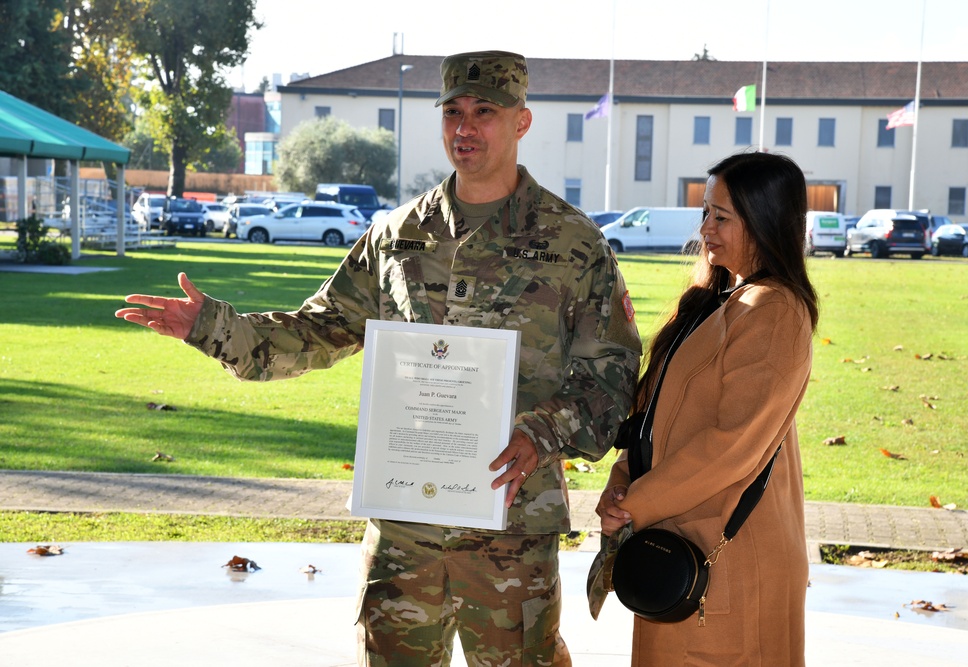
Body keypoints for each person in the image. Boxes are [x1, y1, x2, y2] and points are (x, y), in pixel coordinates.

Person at [116, 50, 641, 666]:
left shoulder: (574, 245)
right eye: (452, 111)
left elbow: (610, 383)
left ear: (521, 122)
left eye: (484, 112)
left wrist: (542, 432)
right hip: (404, 526)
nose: (464, 128)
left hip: (509, 528)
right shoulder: (397, 236)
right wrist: (211, 326)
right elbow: (322, 329)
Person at [596, 151, 818, 665]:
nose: (706, 228)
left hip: (730, 551)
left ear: (765, 221)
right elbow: (658, 418)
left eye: (722, 217)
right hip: (680, 539)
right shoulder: (721, 298)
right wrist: (624, 476)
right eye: (705, 212)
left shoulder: (774, 309)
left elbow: (732, 444)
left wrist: (635, 504)